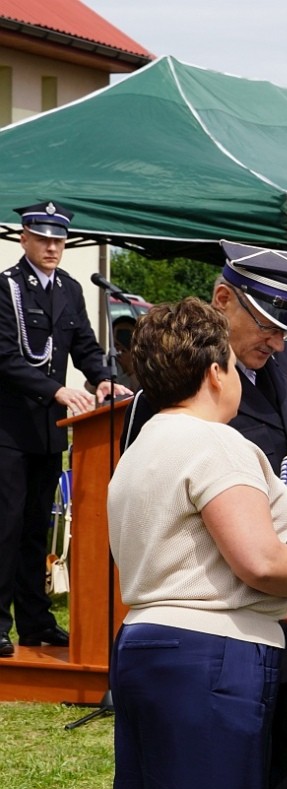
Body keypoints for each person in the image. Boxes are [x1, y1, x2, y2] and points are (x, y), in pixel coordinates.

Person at [122, 240, 287, 789]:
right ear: (224, 299)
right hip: (228, 621)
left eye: (286, 327)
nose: (278, 340)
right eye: (268, 323)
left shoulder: (281, 366)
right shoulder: (178, 391)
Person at [0, 201, 131, 658]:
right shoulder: (6, 288)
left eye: (58, 240)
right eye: (43, 239)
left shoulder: (70, 289)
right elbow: (5, 358)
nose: (52, 247)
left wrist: (104, 378)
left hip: (49, 433)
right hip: (10, 431)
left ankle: (35, 622)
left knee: (39, 529)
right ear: (24, 239)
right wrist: (56, 390)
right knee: (6, 528)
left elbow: (86, 348)